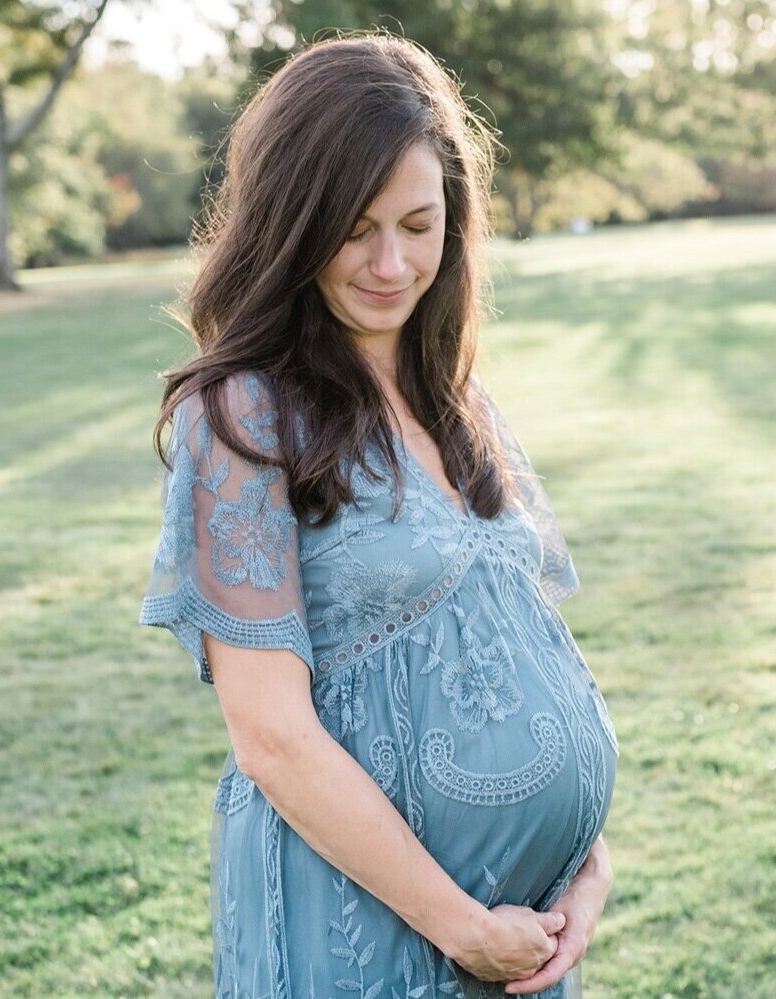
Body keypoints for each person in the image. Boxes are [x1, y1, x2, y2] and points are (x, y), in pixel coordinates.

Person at [138, 31, 619, 998]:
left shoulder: (457, 402)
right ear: (293, 220)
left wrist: (585, 865)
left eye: (418, 224)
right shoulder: (243, 417)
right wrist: (463, 928)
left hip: (516, 935)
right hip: (361, 933)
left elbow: (517, 641)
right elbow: (270, 736)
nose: (392, 263)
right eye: (355, 228)